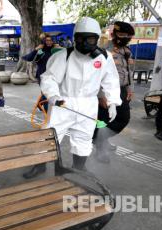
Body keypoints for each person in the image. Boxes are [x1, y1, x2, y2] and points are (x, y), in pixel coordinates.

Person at [23, 17, 121, 178]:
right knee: (49, 134)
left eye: (89, 39)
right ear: (75, 38)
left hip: (89, 104)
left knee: (84, 136)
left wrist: (112, 102)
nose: (84, 43)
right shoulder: (64, 56)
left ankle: (79, 167)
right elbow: (49, 78)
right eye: (80, 39)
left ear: (97, 38)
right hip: (64, 102)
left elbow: (111, 80)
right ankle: (39, 165)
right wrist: (53, 95)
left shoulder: (104, 57)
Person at [93, 21, 135, 162]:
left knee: (123, 118)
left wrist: (129, 88)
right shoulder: (103, 50)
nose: (125, 38)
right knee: (103, 120)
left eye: (128, 35)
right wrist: (100, 95)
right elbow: (95, 75)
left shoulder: (126, 51)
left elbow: (128, 71)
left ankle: (100, 138)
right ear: (114, 34)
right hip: (106, 92)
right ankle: (100, 149)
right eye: (122, 34)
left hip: (122, 90)